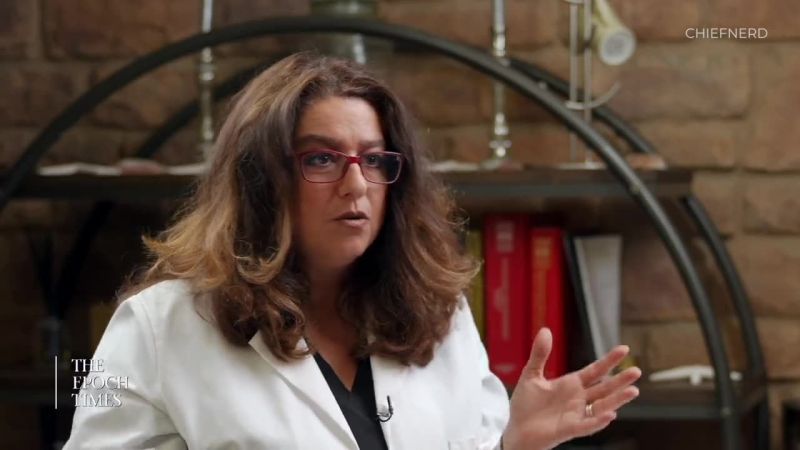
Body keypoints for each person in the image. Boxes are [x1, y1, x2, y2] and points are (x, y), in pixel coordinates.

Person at [64, 52, 640, 450]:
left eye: (374, 159)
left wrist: (515, 443)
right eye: (321, 158)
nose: (357, 184)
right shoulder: (155, 326)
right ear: (261, 179)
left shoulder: (440, 314)